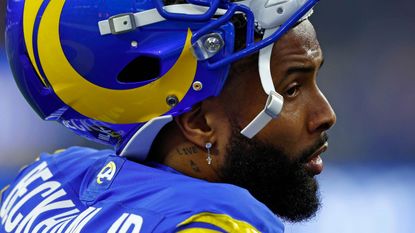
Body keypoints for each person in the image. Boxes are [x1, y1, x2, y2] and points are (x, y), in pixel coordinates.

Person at [0, 0, 336, 232]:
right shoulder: (216, 221)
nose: (325, 115)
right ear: (199, 122)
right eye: (291, 89)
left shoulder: (42, 183)